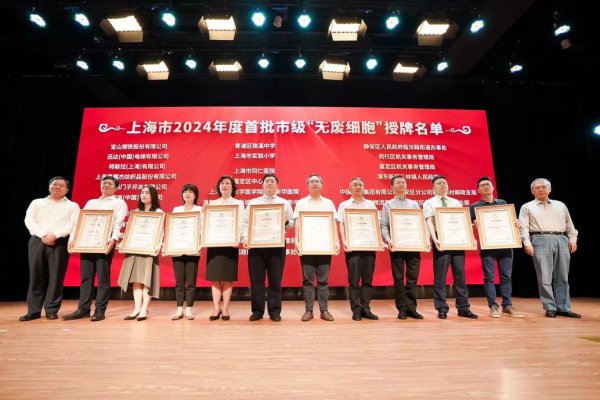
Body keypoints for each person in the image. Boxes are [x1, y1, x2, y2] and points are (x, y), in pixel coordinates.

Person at [62, 176, 127, 322]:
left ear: (116, 188)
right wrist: (73, 238)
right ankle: (83, 309)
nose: (106, 185)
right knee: (86, 277)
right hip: (87, 242)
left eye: (110, 183)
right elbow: (82, 220)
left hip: (104, 243)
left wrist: (114, 239)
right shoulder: (91, 202)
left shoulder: (119, 203)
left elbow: (118, 222)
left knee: (103, 278)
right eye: (104, 183)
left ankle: (100, 310)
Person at [518, 178, 580, 318]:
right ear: (532, 191)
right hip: (539, 239)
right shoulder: (527, 207)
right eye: (537, 187)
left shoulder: (560, 205)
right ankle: (550, 307)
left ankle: (563, 307)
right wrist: (527, 243)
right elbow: (523, 227)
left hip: (561, 239)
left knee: (562, 276)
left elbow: (569, 225)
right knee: (545, 277)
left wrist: (573, 239)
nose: (541, 189)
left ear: (549, 189)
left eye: (544, 187)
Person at [21, 176, 79, 321]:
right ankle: (33, 311)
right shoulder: (37, 202)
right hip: (37, 241)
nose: (57, 187)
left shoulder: (72, 206)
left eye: (61, 185)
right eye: (54, 184)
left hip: (60, 242)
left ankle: (51, 310)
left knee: (56, 277)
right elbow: (29, 220)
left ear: (67, 189)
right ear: (49, 187)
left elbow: (73, 224)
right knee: (36, 276)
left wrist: (55, 235)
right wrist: (43, 235)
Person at [423, 175, 478, 320]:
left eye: (444, 183)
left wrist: (471, 237)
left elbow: (463, 221)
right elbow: (429, 222)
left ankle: (463, 307)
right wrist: (434, 239)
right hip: (441, 240)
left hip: (457, 240)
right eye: (439, 183)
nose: (443, 185)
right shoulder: (429, 203)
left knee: (460, 275)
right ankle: (441, 308)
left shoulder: (456, 202)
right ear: (433, 187)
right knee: (440, 276)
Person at [469, 176, 523, 318]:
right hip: (487, 246)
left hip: (505, 244)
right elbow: (468, 225)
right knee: (489, 277)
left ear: (493, 187)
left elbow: (510, 221)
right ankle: (493, 306)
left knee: (506, 276)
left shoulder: (502, 203)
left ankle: (507, 305)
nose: (486, 187)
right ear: (478, 190)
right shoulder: (474, 207)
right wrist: (473, 225)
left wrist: (515, 223)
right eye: (482, 185)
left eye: (488, 184)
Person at [242, 174, 293, 322]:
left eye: (272, 181)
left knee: (275, 279)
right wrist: (246, 237)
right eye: (267, 181)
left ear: (277, 185)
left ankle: (274, 311)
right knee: (256, 280)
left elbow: (292, 223)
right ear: (262, 185)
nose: (269, 183)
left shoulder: (284, 203)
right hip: (256, 244)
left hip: (277, 244)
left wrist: (286, 221)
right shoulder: (253, 203)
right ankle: (257, 311)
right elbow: (245, 223)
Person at [293, 173, 339, 322]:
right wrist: (297, 240)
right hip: (307, 246)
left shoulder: (328, 203)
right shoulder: (301, 203)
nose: (314, 183)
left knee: (323, 280)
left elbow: (333, 222)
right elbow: (298, 222)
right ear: (307, 186)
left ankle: (324, 311)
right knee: (307, 280)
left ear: (322, 185)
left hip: (325, 246)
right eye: (311, 181)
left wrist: (336, 240)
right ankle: (309, 311)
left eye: (317, 181)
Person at [380, 175, 426, 320]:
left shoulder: (414, 204)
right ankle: (401, 309)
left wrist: (424, 239)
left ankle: (412, 308)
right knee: (398, 279)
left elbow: (421, 224)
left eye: (404, 182)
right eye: (398, 182)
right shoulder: (388, 205)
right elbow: (384, 225)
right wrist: (388, 240)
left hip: (413, 245)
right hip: (397, 246)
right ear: (392, 187)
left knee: (412, 279)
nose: (402, 184)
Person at [117, 185, 163, 321]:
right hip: (135, 248)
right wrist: (124, 242)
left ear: (153, 196)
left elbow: (161, 232)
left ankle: (144, 309)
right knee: (136, 280)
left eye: (147, 193)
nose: (143, 195)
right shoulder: (136, 212)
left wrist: (158, 245)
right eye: (142, 192)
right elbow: (130, 230)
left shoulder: (158, 212)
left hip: (149, 249)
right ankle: (137, 308)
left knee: (146, 280)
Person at [337, 177, 379, 321]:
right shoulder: (344, 205)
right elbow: (341, 224)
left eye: (360, 184)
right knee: (354, 280)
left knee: (367, 280)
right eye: (355, 185)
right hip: (353, 247)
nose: (358, 187)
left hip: (369, 246)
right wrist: (345, 241)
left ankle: (366, 308)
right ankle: (356, 310)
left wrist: (377, 241)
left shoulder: (370, 204)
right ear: (350, 188)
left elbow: (376, 223)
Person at [205, 175, 244, 321]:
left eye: (227, 183)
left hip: (230, 244)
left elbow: (241, 223)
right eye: (222, 183)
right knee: (215, 278)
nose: (224, 185)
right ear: (218, 187)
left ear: (232, 187)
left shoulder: (238, 203)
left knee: (228, 278)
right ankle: (216, 308)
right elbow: (208, 223)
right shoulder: (212, 203)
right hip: (215, 244)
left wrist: (238, 238)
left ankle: (226, 308)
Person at [169, 183, 202, 321]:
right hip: (177, 248)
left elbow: (201, 229)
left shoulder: (200, 210)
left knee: (191, 281)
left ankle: (188, 309)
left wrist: (199, 245)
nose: (187, 194)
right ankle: (179, 309)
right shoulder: (176, 210)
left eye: (190, 192)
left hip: (193, 249)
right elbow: (172, 228)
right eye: (185, 192)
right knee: (179, 281)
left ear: (195, 195)